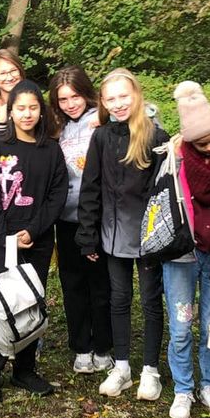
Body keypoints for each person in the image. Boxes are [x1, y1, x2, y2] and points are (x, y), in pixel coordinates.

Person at [77, 69, 168, 401]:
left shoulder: (157, 137)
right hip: (112, 236)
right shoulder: (101, 137)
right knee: (119, 298)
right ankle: (123, 366)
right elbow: (91, 189)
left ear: (137, 95)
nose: (118, 104)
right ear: (103, 102)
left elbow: (165, 191)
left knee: (150, 301)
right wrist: (88, 235)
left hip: (148, 238)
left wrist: (160, 235)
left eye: (123, 96)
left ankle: (150, 370)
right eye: (110, 98)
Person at [0, 79, 68, 403]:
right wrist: (5, 236)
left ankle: (25, 369)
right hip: (5, 240)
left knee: (31, 303)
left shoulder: (51, 150)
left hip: (38, 239)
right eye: (21, 108)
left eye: (33, 108)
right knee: (2, 304)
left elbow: (57, 195)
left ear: (41, 111)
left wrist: (34, 230)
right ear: (10, 111)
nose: (27, 114)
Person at [161, 82, 210, 418]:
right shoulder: (175, 159)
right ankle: (183, 388)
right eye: (201, 143)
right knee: (181, 324)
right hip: (181, 252)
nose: (209, 147)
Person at [48, 65, 113, 374]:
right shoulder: (56, 127)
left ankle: (103, 345)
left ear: (86, 93)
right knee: (72, 284)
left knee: (100, 285)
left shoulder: (101, 120)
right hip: (66, 218)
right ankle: (81, 347)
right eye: (63, 99)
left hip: (98, 217)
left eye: (75, 96)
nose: (70, 104)